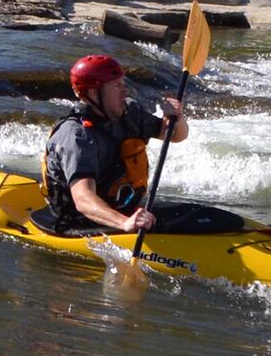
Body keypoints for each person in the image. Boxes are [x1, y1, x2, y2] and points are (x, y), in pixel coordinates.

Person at [39, 54, 188, 236]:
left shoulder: (129, 113)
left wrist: (176, 119)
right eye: (117, 86)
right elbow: (83, 199)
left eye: (123, 84)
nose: (125, 92)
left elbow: (174, 136)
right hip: (79, 222)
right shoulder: (76, 136)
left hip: (122, 210)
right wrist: (125, 223)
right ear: (94, 93)